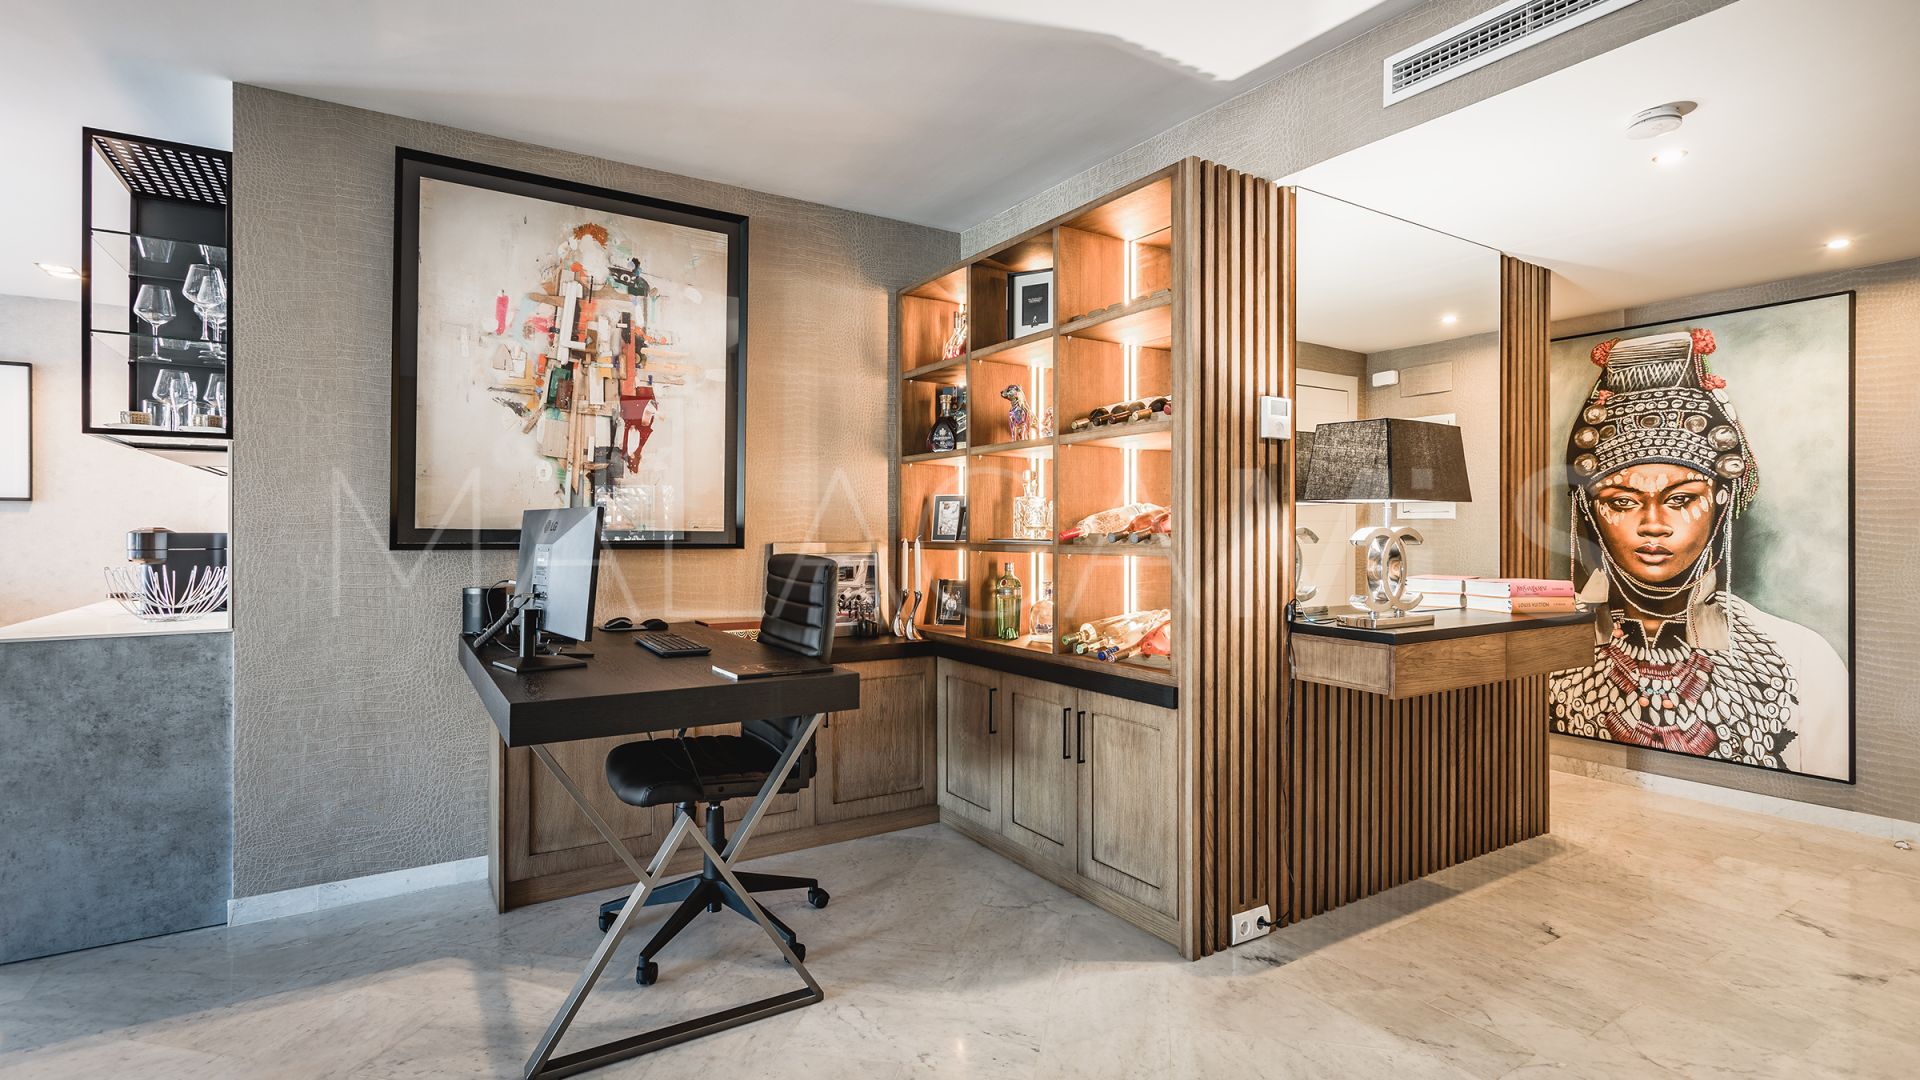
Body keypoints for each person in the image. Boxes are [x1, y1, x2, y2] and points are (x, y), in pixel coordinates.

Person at [1549, 329, 1848, 778]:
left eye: (1680, 499)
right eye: (1622, 502)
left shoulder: (1799, 658)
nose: (1653, 524)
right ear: (1591, 510)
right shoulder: (1541, 649)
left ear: (1721, 502)